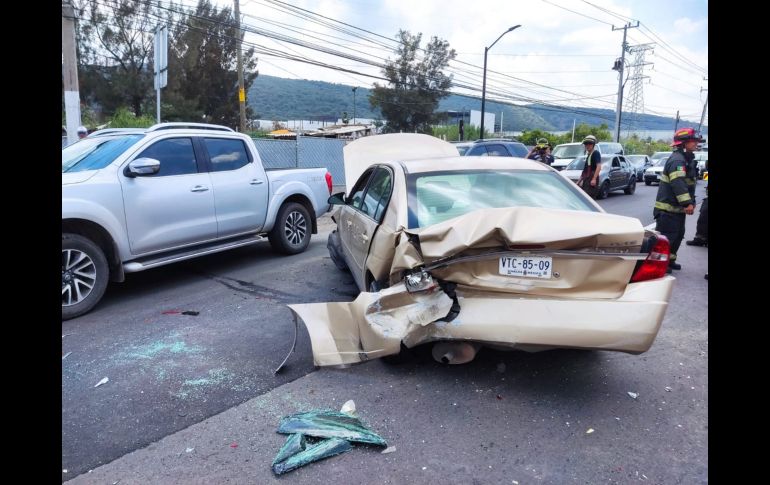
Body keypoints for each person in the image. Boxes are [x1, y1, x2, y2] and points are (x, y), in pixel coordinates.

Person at [653, 127, 701, 273]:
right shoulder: (677, 160)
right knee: (667, 237)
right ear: (684, 143)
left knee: (678, 235)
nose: (696, 143)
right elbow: (678, 183)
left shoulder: (686, 159)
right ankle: (658, 264)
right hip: (668, 210)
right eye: (693, 141)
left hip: (676, 210)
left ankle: (669, 260)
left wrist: (691, 202)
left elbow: (689, 184)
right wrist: (687, 203)